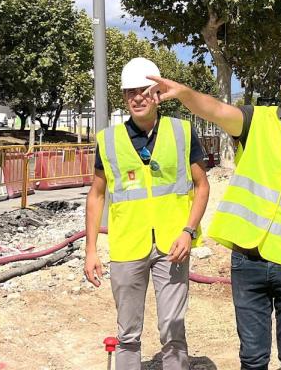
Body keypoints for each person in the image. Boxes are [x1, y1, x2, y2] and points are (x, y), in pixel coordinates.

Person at [146, 46, 281, 370]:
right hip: (247, 261)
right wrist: (185, 95)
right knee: (252, 358)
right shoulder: (256, 120)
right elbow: (216, 110)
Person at [84, 57, 211, 370]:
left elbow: (202, 186)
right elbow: (96, 194)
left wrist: (189, 231)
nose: (137, 97)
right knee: (127, 332)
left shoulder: (182, 132)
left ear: (158, 94)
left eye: (143, 90)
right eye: (130, 92)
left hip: (173, 246)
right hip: (128, 246)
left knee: (172, 327)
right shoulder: (108, 141)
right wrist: (90, 251)